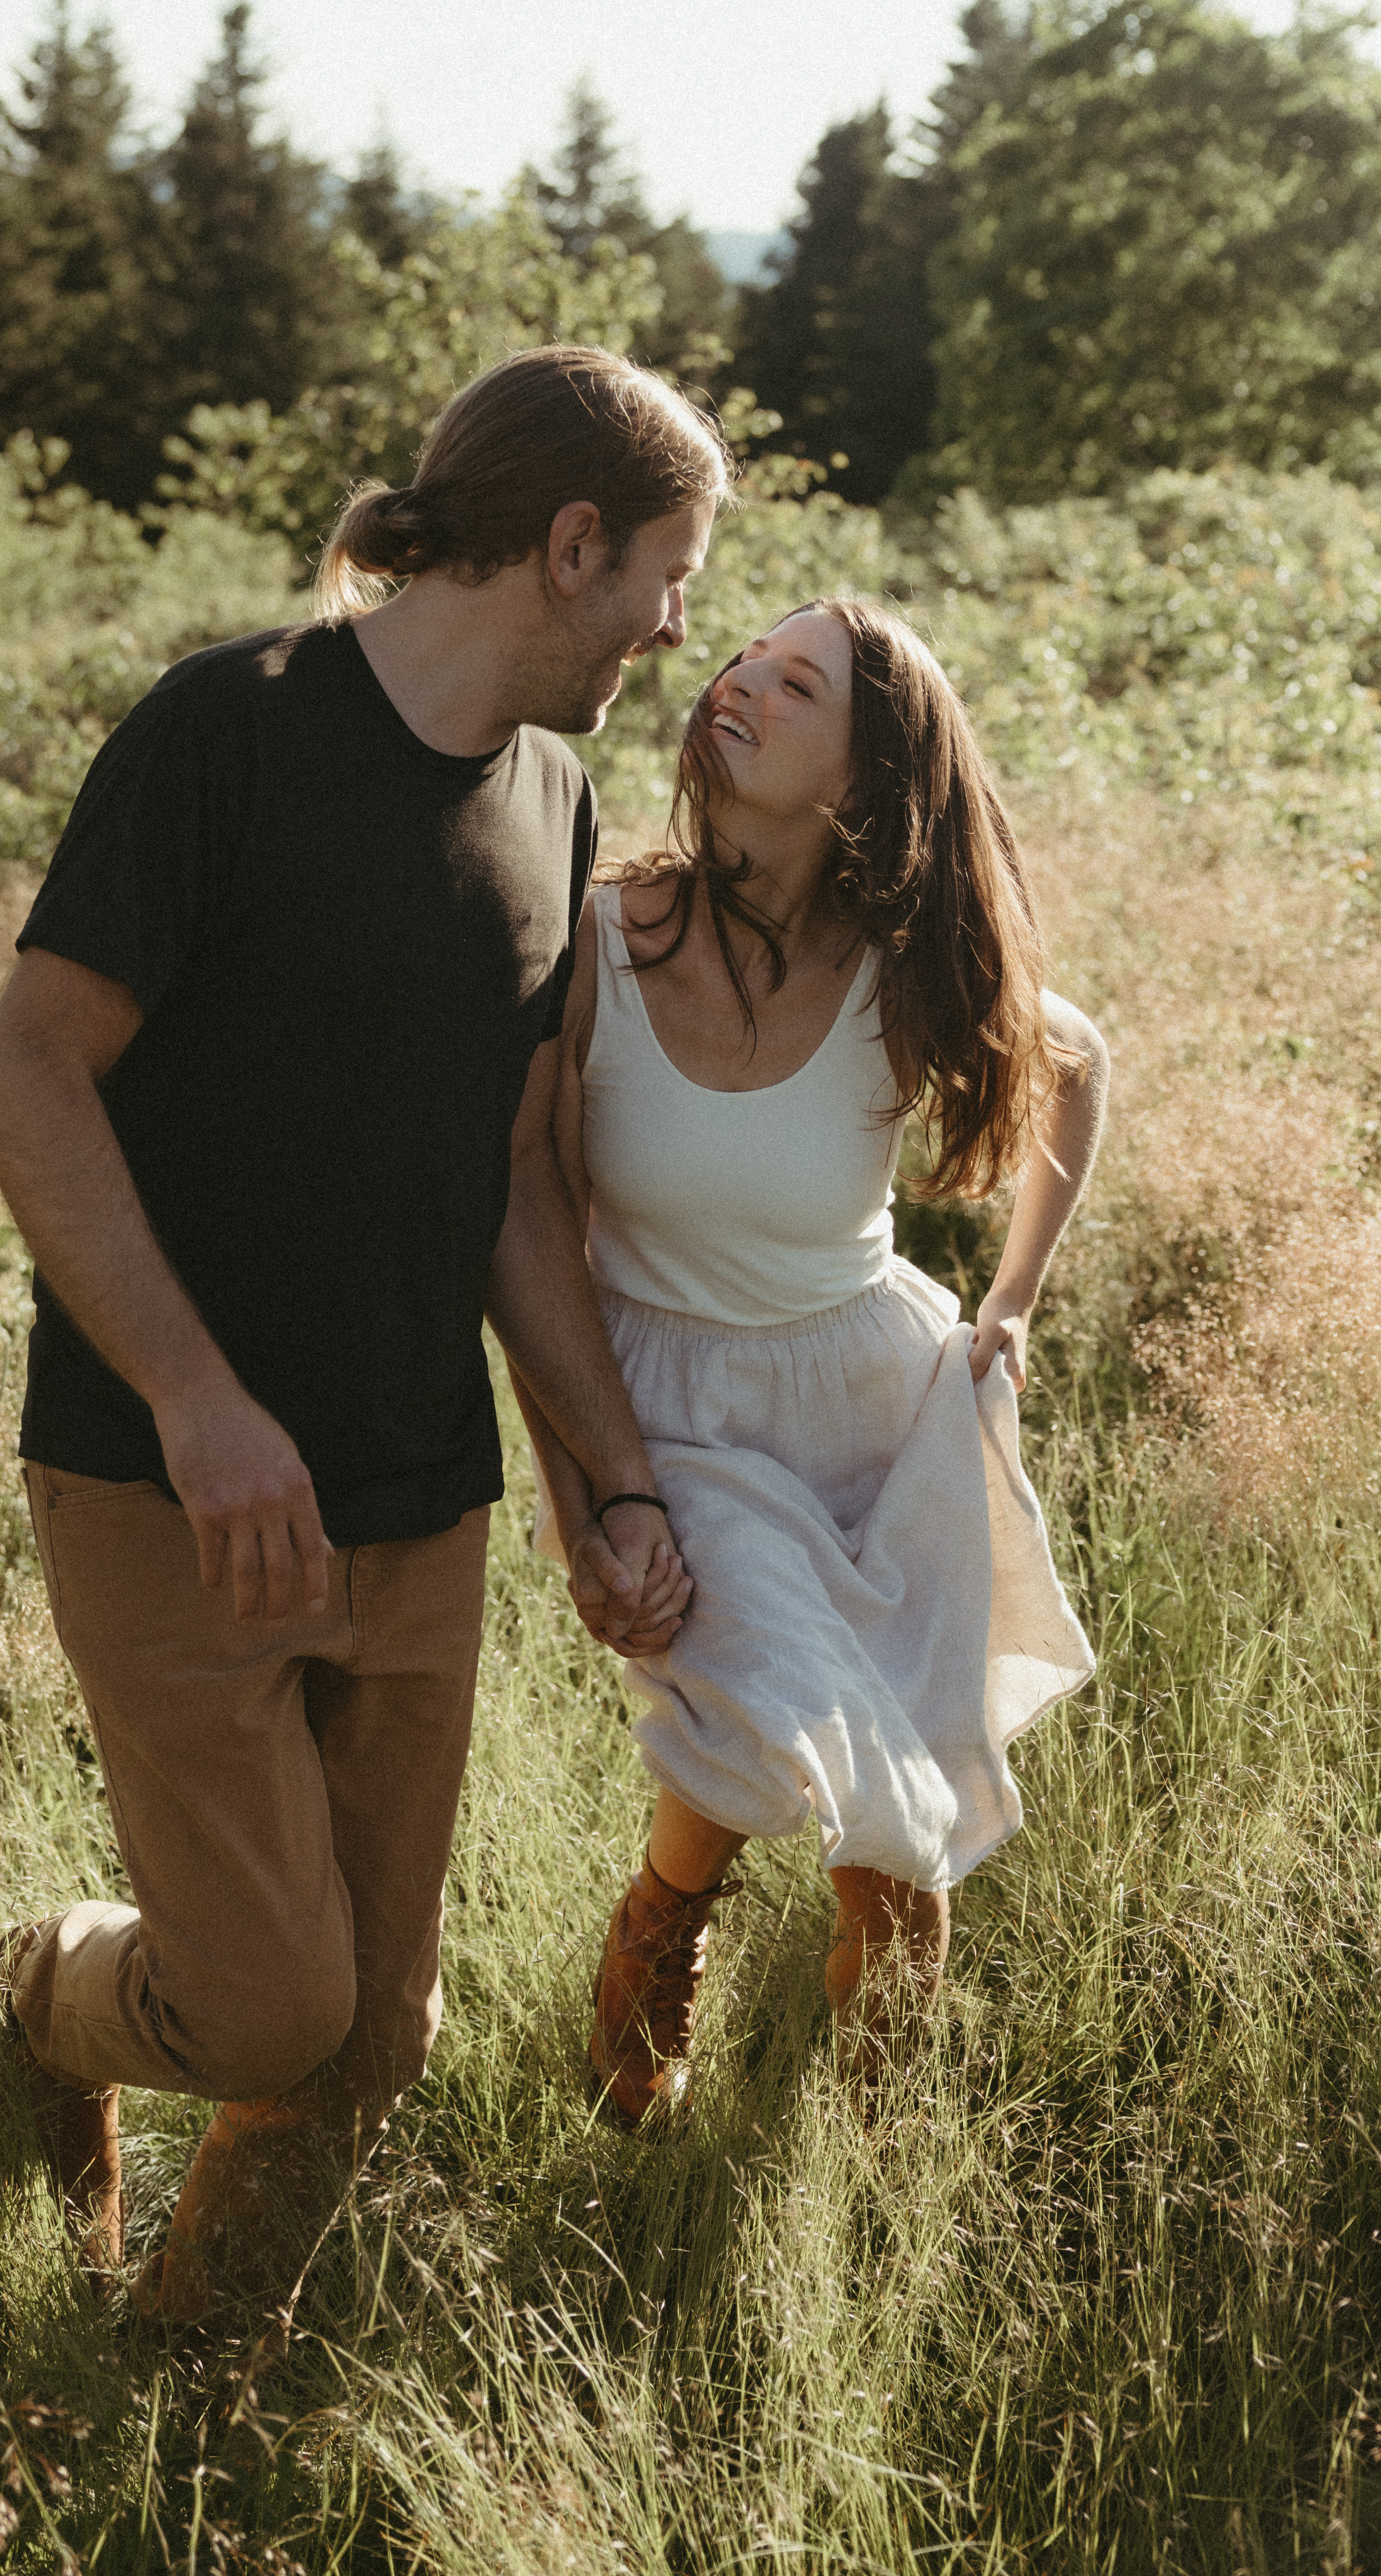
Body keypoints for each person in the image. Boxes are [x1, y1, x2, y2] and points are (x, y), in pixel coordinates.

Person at [0, 345, 726, 2318]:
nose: (672, 625)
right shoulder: (231, 728)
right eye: (664, 574)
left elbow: (517, 1188)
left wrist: (608, 1485)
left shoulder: (552, 799)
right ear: (570, 546)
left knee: (376, 2039)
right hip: (172, 1481)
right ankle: (45, 1989)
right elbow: (26, 1080)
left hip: (415, 1488)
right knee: (270, 2004)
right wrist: (202, 1405)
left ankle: (166, 2386)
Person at [512, 595, 1106, 2118]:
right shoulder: (597, 938)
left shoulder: (900, 970)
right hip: (676, 1421)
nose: (741, 687)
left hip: (877, 1410)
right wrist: (584, 1491)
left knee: (893, 1844)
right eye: (744, 662)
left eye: (798, 685)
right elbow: (530, 1224)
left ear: (862, 782)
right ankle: (665, 1917)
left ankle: (866, 2169)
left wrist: (1015, 1301)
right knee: (797, 1722)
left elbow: (1079, 1068)